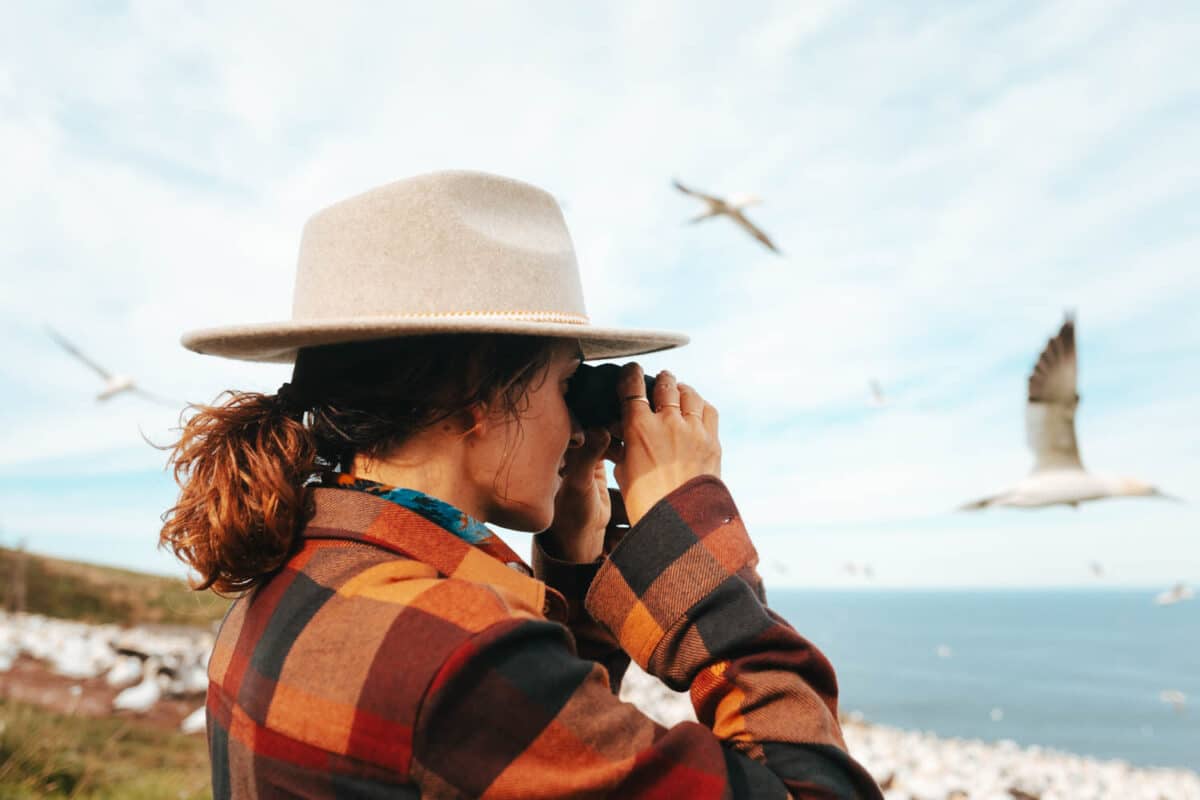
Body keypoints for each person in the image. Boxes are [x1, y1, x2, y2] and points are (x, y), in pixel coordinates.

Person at [162, 170, 882, 799]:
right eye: (568, 383)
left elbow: (529, 747)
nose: (577, 427)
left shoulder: (298, 573)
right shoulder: (456, 660)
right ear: (479, 400)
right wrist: (685, 538)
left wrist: (576, 555)